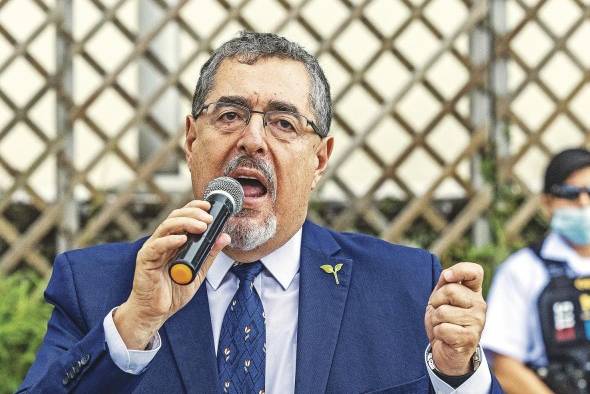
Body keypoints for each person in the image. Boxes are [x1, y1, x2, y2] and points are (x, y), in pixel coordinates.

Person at [19, 32, 501, 393]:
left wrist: (457, 375)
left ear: (319, 159)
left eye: (283, 123)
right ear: (191, 141)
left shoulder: (406, 286)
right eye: (229, 116)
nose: (252, 140)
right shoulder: (96, 286)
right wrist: (136, 324)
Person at [482, 148, 590, 393]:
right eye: (570, 194)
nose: (583, 203)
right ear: (547, 203)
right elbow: (505, 367)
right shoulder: (522, 270)